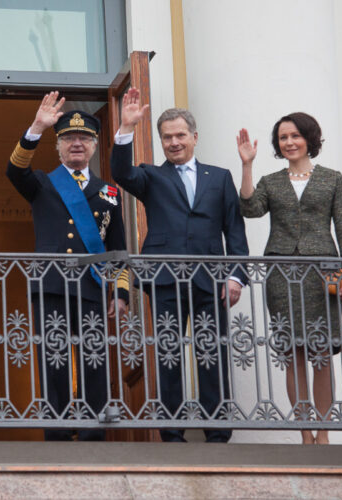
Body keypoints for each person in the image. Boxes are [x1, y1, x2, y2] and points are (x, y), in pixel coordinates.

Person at [111, 88, 249, 443]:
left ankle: (217, 431)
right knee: (168, 353)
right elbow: (120, 172)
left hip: (211, 280)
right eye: (167, 137)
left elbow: (234, 229)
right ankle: (171, 432)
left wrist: (236, 276)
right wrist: (126, 128)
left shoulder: (219, 178)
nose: (174, 143)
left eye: (180, 135)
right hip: (165, 279)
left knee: (211, 352)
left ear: (194, 137)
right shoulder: (151, 177)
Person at [6, 91, 129, 441]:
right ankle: (57, 434)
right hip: (52, 285)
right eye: (69, 139)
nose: (77, 144)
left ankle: (92, 434)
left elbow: (117, 250)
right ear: (58, 146)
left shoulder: (109, 192)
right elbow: (14, 170)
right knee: (53, 360)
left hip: (91, 287)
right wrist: (36, 127)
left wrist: (119, 293)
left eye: (85, 138)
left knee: (94, 360)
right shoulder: (43, 183)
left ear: (93, 146)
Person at [237, 112, 342, 445]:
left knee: (320, 352)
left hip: (323, 273)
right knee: (293, 353)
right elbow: (250, 209)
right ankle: (305, 434)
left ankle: (324, 433)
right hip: (282, 274)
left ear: (309, 138)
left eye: (294, 136)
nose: (288, 142)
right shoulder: (272, 181)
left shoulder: (332, 179)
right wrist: (247, 165)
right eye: (282, 138)